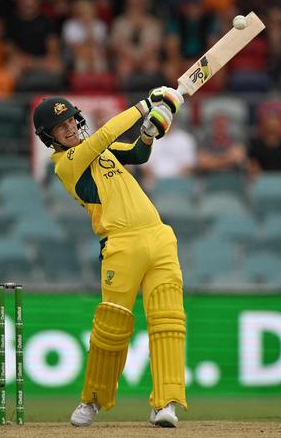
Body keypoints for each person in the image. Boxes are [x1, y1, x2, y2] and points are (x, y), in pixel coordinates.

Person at [31, 86, 187, 427]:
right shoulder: (66, 164)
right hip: (120, 243)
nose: (70, 128)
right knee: (112, 327)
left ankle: (166, 404)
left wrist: (149, 132)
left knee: (168, 320)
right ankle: (93, 400)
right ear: (50, 138)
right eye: (61, 127)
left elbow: (137, 154)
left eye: (72, 120)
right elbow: (103, 136)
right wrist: (147, 105)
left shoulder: (102, 152)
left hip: (159, 236)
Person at [247, 112, 281, 177]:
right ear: (263, 127)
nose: (272, 129)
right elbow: (252, 168)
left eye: (275, 126)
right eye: (269, 126)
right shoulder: (255, 145)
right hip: (261, 182)